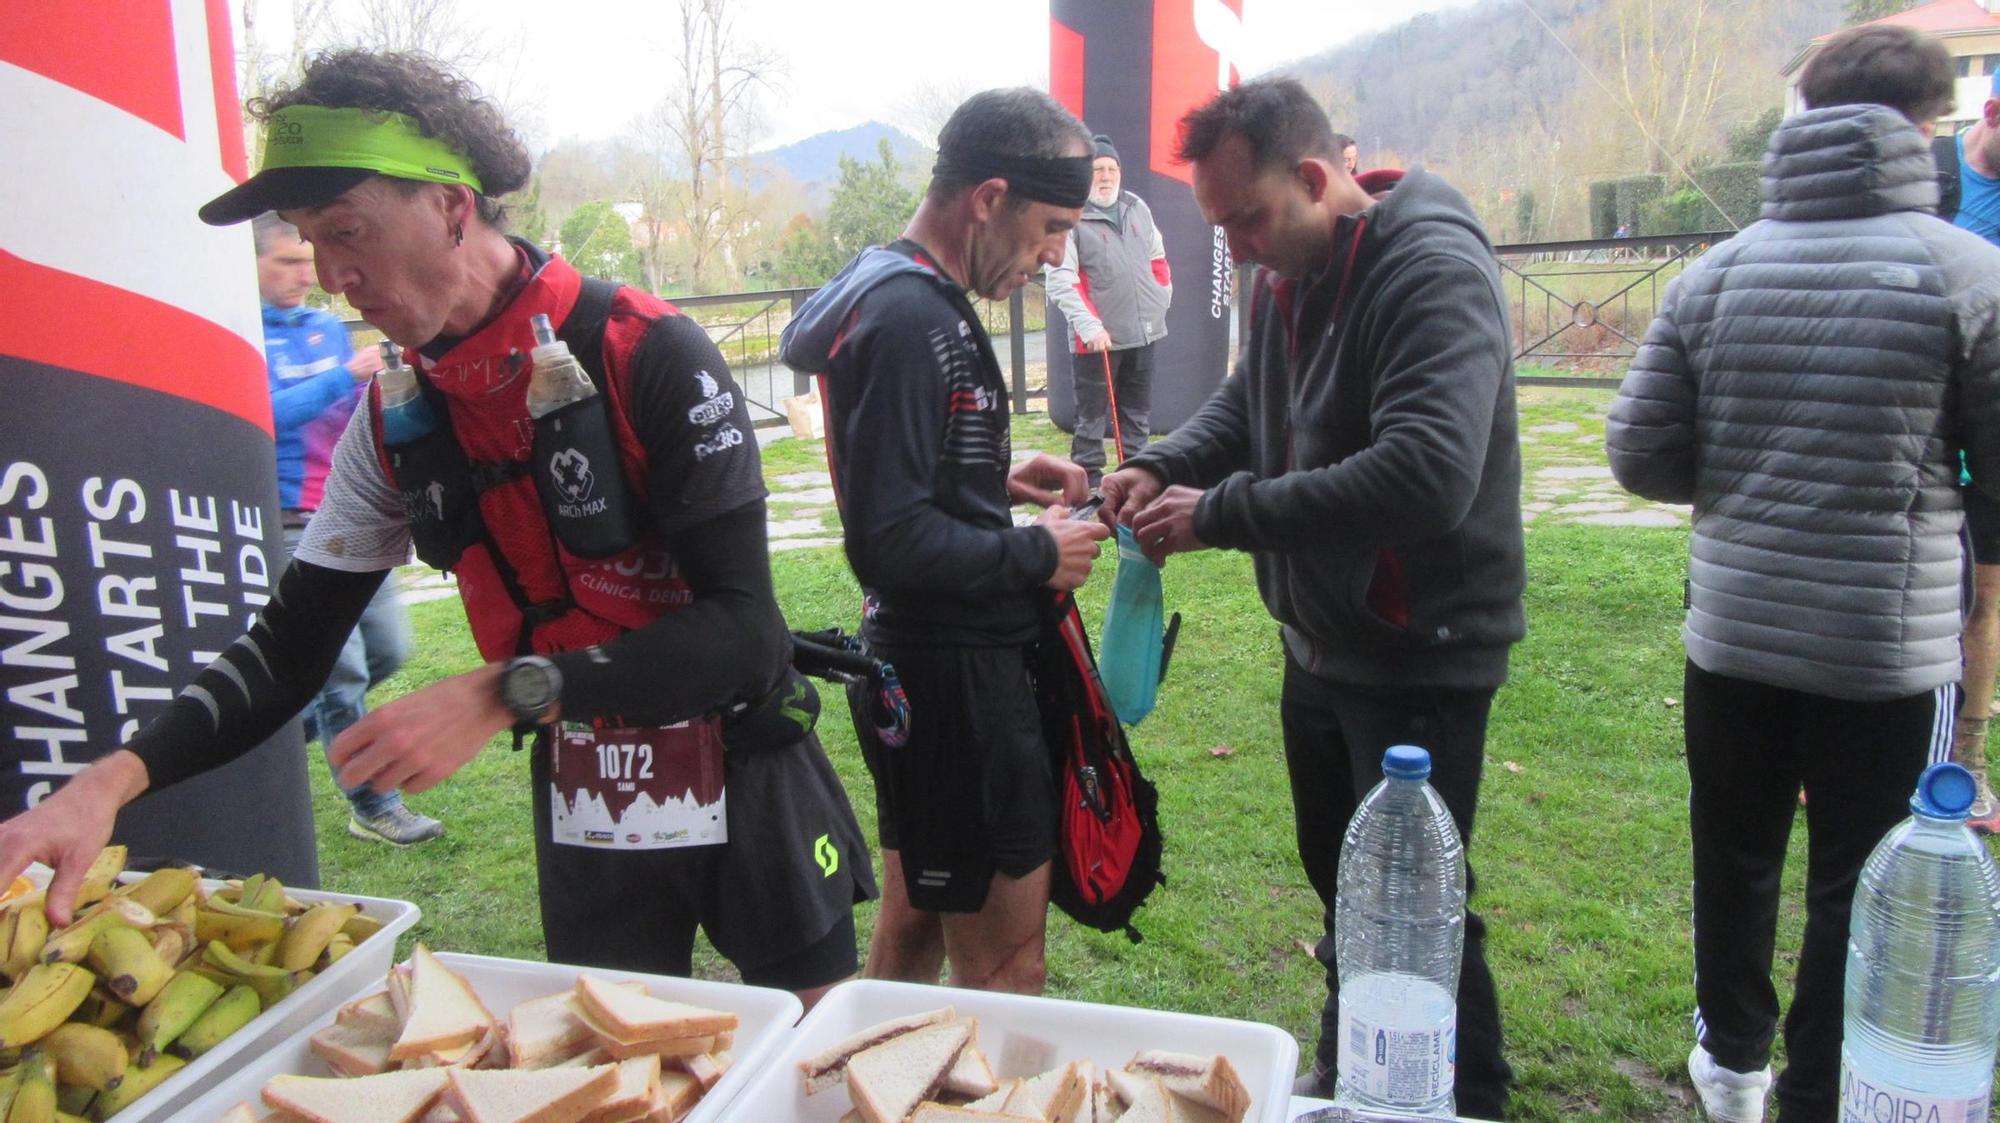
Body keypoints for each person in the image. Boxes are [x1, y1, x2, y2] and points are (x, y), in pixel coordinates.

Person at [0, 50, 875, 1007]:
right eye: (304, 238)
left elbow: (745, 634)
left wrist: (506, 689)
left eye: (348, 231)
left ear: (453, 208)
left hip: (744, 756)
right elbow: (292, 646)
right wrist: (111, 780)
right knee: (606, 1061)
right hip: (588, 780)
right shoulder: (397, 419)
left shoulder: (648, 349)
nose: (332, 275)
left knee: (816, 1049)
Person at [1098, 78, 1523, 1118]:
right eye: (1218, 225)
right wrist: (1162, 464)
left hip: (1415, 644)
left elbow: (1426, 474)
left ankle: (1463, 1092)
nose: (1235, 245)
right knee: (1347, 890)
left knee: (1411, 902)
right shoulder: (1281, 269)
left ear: (1317, 177)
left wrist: (1220, 512)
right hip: (1321, 642)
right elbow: (1252, 401)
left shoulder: (1427, 268)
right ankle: (1358, 1074)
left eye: (1247, 218)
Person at [1606, 25, 2000, 1123]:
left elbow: (1637, 453)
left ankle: (1727, 1064)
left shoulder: (1714, 274)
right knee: (1859, 876)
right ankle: (1812, 1092)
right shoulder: (1968, 274)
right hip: (1889, 649)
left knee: (1731, 854)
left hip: (1730, 635)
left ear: (1804, 115)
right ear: (1925, 127)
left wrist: (1736, 481)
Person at [779, 88, 1111, 994]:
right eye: (1051, 227)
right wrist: (1037, 552)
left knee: (916, 918)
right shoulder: (914, 317)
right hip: (958, 679)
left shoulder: (880, 280)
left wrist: (988, 480)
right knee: (1007, 964)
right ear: (988, 197)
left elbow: (891, 469)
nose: (1053, 256)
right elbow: (886, 542)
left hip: (915, 672)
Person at [254, 211, 442, 847]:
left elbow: (346, 415)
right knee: (345, 672)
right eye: (286, 262)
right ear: (252, 266)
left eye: (306, 259)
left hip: (348, 512)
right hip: (285, 521)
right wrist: (344, 377)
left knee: (389, 648)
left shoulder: (326, 328)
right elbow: (263, 416)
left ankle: (269, 745)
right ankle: (373, 804)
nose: (305, 274)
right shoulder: (244, 335)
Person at [1937, 73, 2000, 827]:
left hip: (1992, 435)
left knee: (1983, 604)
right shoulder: (1929, 177)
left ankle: (1968, 761)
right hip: (1916, 434)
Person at [1043, 133, 1173, 486]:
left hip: (1143, 331)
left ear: (1120, 172)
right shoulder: (1071, 217)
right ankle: (1089, 484)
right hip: (1097, 340)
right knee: (1091, 418)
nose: (1105, 176)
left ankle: (1135, 477)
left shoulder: (1137, 208)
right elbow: (1061, 279)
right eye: (1097, 169)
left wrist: (1161, 297)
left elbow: (1157, 258)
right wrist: (1090, 327)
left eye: (1111, 169)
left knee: (1137, 414)